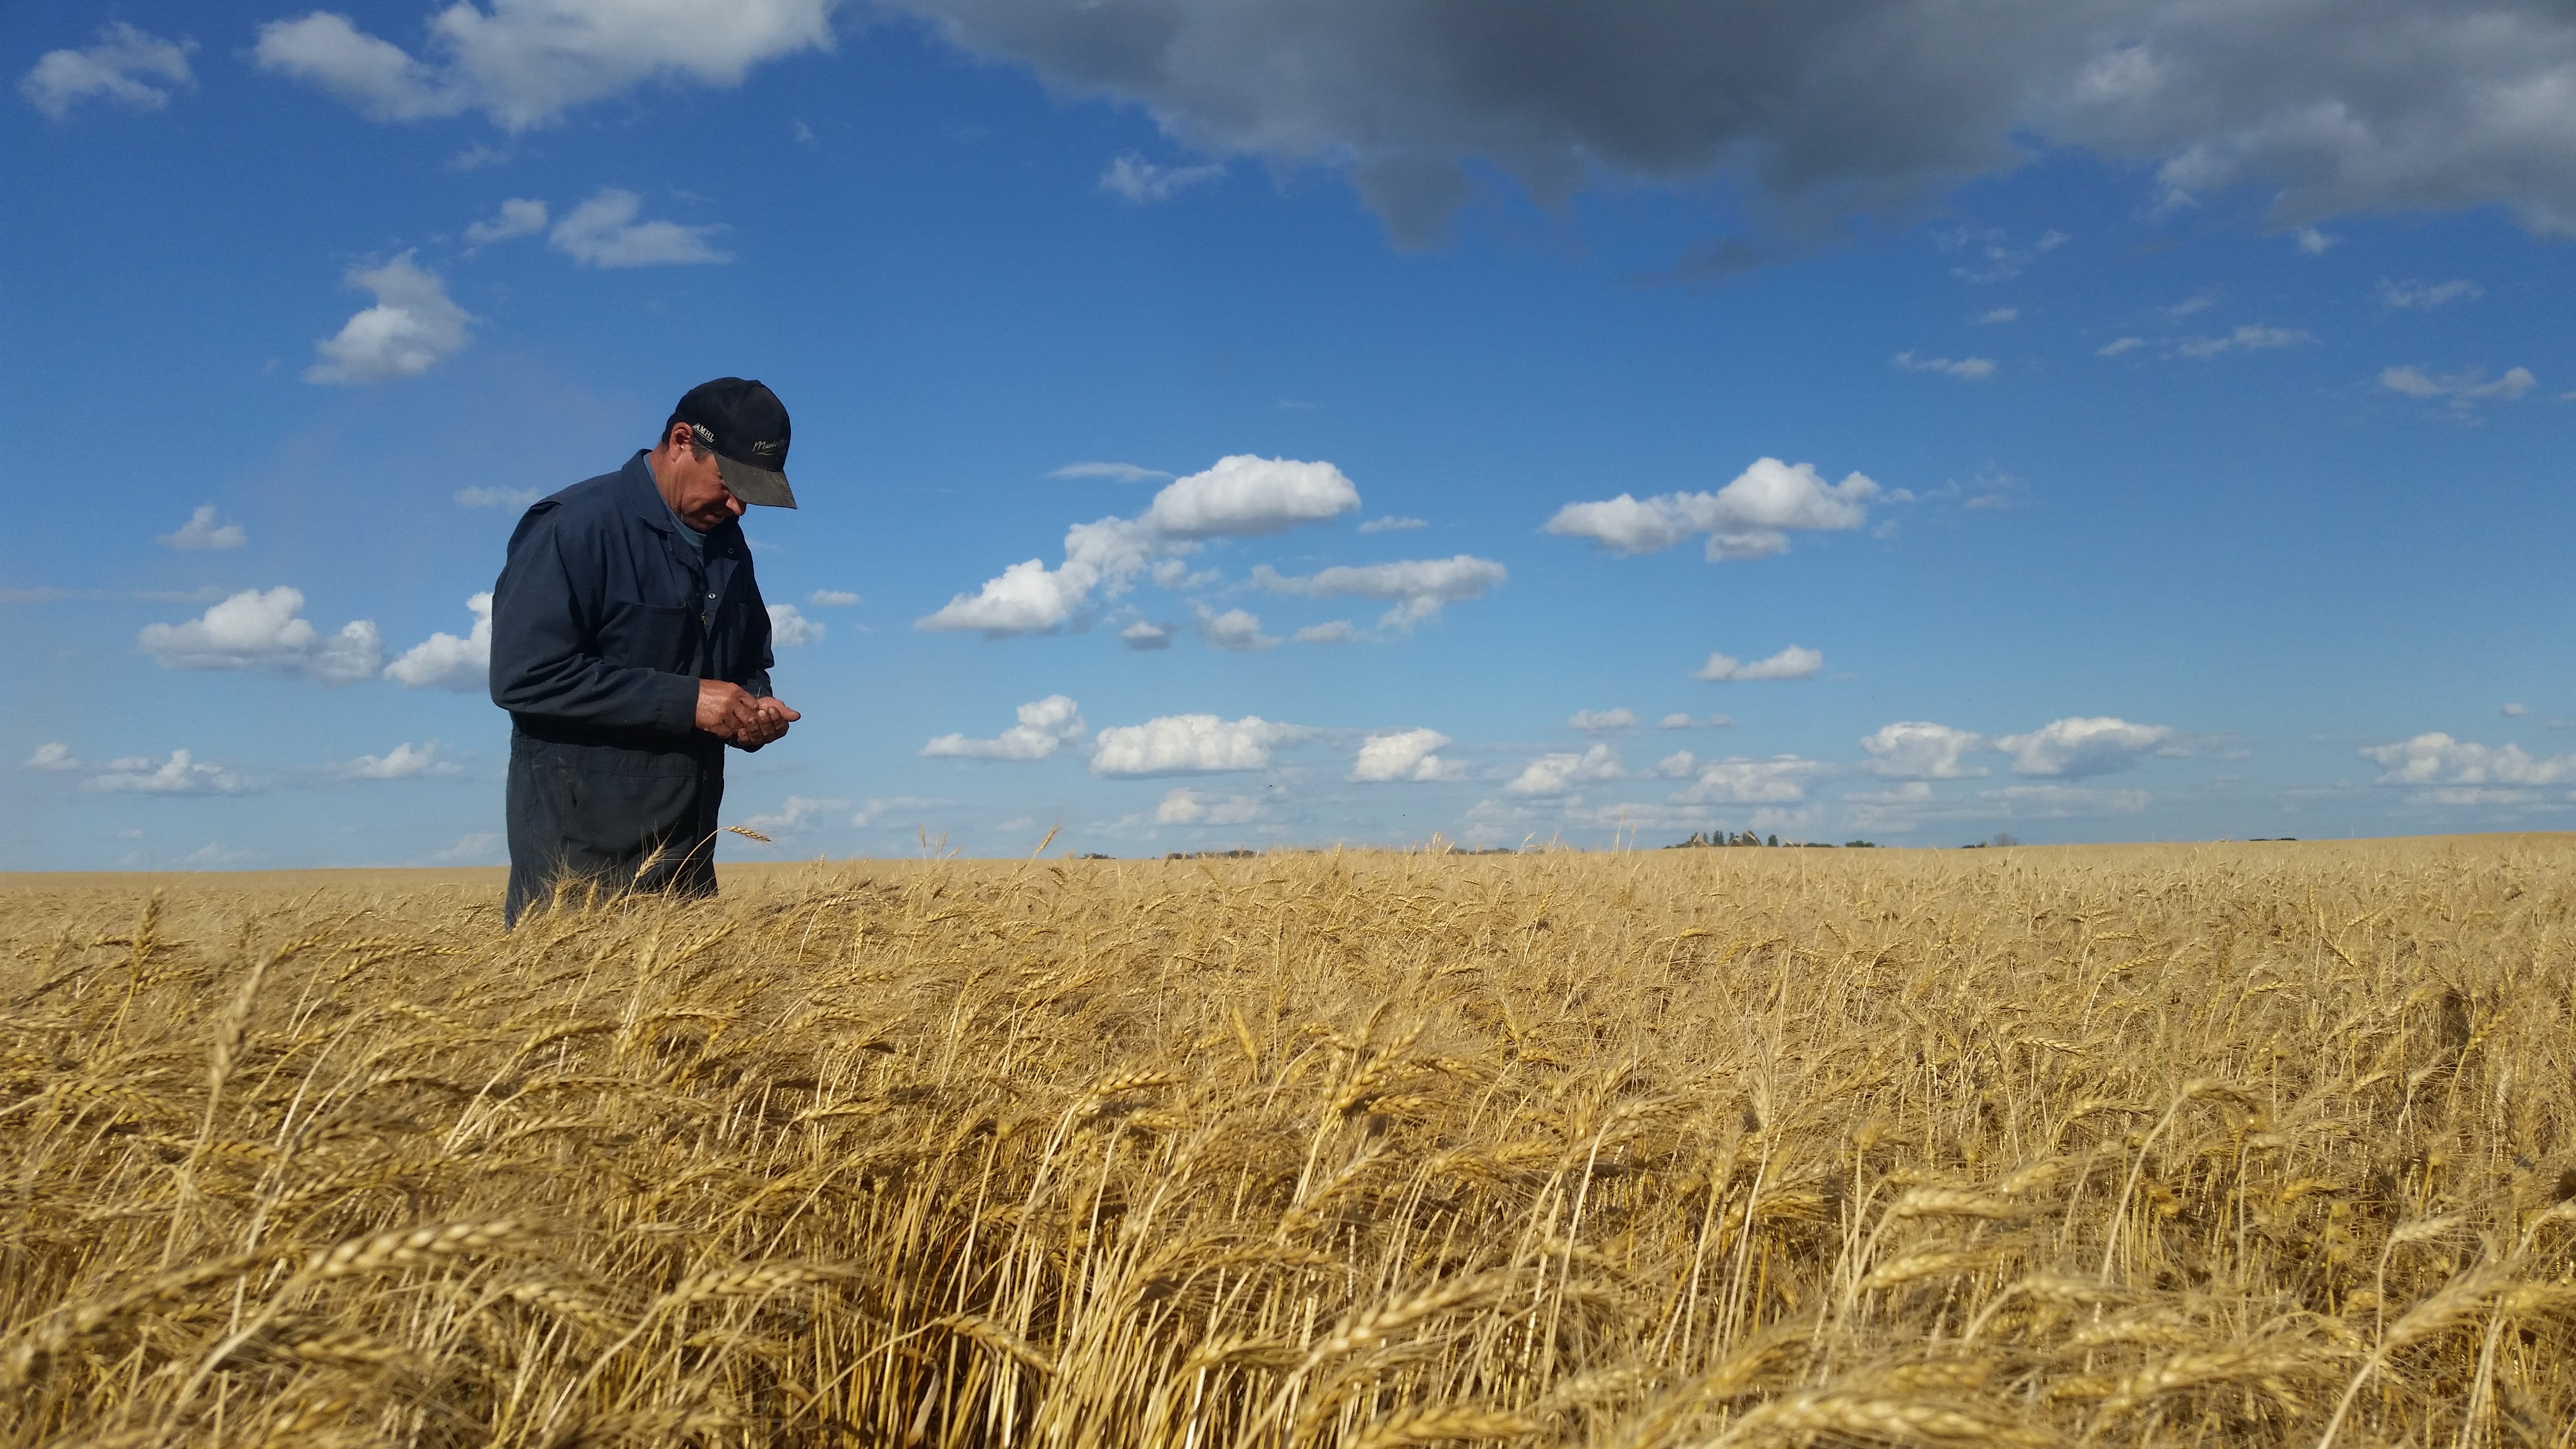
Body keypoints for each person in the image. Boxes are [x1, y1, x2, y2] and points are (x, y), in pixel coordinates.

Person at [488, 377, 804, 926]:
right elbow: (526, 676)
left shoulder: (727, 546)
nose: (738, 506)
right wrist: (689, 702)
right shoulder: (575, 526)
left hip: (686, 864)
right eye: (730, 482)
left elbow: (747, 659)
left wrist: (752, 708)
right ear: (682, 441)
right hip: (578, 872)